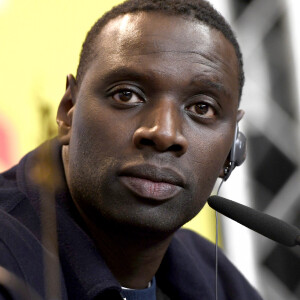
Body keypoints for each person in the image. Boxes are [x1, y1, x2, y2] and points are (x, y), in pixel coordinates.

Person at [0, 0, 263, 299]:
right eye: (126, 95)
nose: (164, 134)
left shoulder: (218, 280)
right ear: (68, 111)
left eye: (201, 108)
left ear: (233, 147)